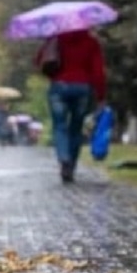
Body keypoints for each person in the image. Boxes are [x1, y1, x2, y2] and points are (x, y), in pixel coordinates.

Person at [35, 29, 107, 183]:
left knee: (59, 126)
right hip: (82, 88)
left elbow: (39, 61)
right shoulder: (91, 42)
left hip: (59, 87)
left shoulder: (56, 39)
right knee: (76, 127)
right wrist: (100, 96)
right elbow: (98, 71)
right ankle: (71, 165)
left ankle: (64, 158)